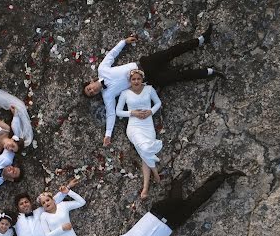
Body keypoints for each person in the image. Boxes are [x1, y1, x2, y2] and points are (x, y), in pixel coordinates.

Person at [83, 26, 224, 146]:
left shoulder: (102, 69)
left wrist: (124, 42)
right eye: (91, 93)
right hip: (148, 79)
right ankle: (209, 72)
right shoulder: (107, 96)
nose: (92, 90)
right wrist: (108, 134)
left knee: (171, 52)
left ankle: (201, 40)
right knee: (179, 76)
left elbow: (112, 55)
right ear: (95, 95)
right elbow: (111, 114)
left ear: (90, 82)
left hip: (145, 64)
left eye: (89, 88)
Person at [101, 170, 238, 236]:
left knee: (177, 199)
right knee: (198, 200)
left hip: (158, 212)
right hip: (173, 223)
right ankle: (221, 176)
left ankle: (177, 182)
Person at [115, 69, 163, 199]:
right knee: (146, 148)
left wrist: (151, 111)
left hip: (148, 125)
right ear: (130, 81)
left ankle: (146, 186)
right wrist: (132, 113)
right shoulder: (125, 93)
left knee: (145, 153)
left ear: (142, 79)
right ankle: (155, 172)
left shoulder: (149, 89)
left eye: (138, 79)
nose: (136, 81)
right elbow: (118, 111)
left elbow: (158, 102)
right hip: (134, 126)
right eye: (133, 79)